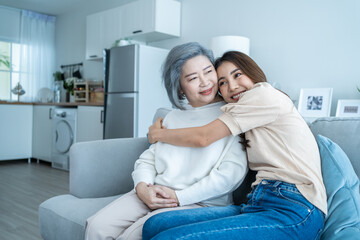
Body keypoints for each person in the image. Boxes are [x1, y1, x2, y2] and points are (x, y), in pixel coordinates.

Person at [143, 51, 327, 240]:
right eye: (222, 82)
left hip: (295, 207)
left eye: (237, 75)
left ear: (252, 72)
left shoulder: (263, 94)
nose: (232, 86)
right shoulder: (242, 115)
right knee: (155, 225)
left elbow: (203, 137)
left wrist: (159, 134)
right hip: (258, 201)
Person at [84, 43, 248, 240]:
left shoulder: (231, 114)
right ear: (179, 88)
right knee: (96, 227)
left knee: (131, 236)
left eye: (208, 72)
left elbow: (230, 176)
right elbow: (148, 159)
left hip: (199, 202)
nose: (205, 82)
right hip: (155, 191)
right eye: (193, 78)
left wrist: (180, 197)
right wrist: (142, 187)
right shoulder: (172, 117)